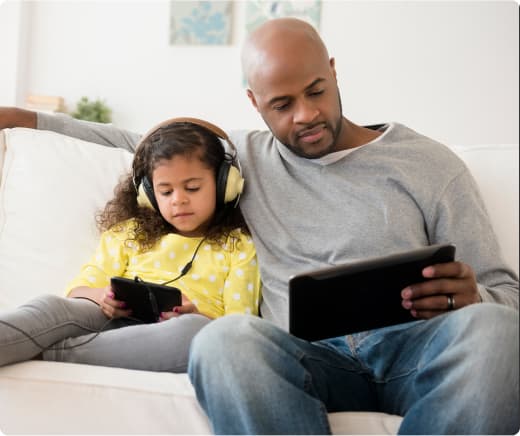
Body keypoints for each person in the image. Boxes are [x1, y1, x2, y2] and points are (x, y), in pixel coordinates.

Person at [0, 17, 518, 435]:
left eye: (316, 91)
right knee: (225, 340)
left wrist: (474, 300)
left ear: (334, 71)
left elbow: (506, 296)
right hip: (309, 357)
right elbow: (138, 143)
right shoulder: (242, 158)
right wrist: (24, 118)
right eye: (282, 104)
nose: (305, 116)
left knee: (497, 331)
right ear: (254, 102)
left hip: (414, 351)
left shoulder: (430, 164)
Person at [0, 117, 261, 372]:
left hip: (178, 334)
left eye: (192, 188)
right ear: (148, 194)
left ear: (223, 185)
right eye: (166, 191)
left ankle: (50, 353)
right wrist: (102, 297)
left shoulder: (238, 246)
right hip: (111, 319)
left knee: (191, 332)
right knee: (53, 307)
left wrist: (197, 315)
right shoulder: (130, 234)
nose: (178, 200)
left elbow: (238, 328)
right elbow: (77, 291)